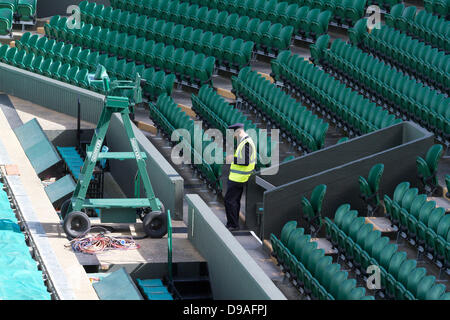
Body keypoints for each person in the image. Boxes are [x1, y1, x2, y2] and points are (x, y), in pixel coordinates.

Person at [224, 123, 256, 231]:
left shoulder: (246, 143)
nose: (233, 137)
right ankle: (233, 223)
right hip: (238, 177)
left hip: (238, 178)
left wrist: (232, 159)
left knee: (230, 201)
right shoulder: (244, 141)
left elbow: (245, 161)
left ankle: (233, 224)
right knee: (234, 201)